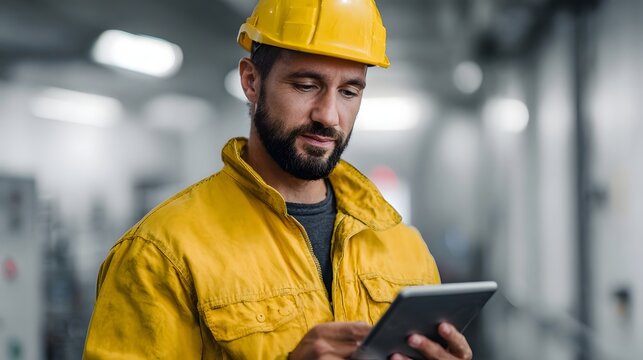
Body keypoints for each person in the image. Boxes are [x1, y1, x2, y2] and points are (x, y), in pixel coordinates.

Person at [83, 0, 473, 359]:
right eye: (306, 86)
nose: (329, 115)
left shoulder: (405, 249)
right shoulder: (161, 254)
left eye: (349, 91)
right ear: (252, 82)